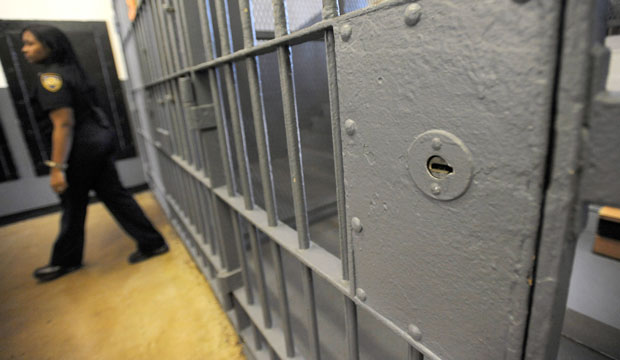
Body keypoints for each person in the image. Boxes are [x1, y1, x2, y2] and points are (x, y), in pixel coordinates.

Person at [21, 25, 168, 282]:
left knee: (73, 205)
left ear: (49, 46)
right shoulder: (73, 72)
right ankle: (152, 242)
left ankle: (65, 261)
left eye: (30, 43)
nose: (25, 50)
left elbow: (63, 124)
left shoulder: (50, 79)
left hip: (78, 152)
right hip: (97, 144)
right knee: (115, 196)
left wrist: (57, 167)